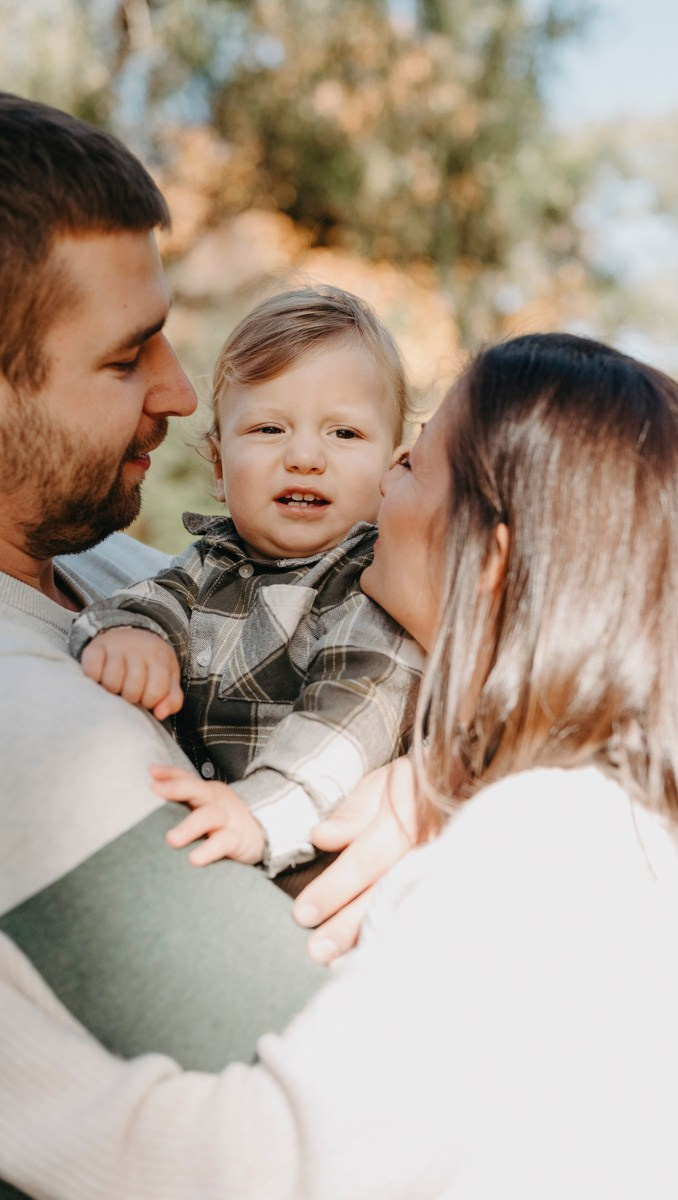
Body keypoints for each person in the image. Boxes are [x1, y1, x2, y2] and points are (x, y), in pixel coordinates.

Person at [1, 331, 678, 1199]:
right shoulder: (659, 830)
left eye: (413, 464)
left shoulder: (556, 841)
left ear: (488, 560)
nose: (380, 481)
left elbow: (257, 1168)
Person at [0, 90, 326, 1108]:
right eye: (124, 355)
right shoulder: (31, 732)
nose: (184, 393)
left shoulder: (114, 575)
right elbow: (334, 1085)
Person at [69, 287, 422, 877]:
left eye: (344, 434)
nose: (306, 456)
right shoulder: (210, 563)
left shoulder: (372, 582)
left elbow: (357, 708)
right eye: (268, 429)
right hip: (215, 844)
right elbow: (155, 600)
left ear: (392, 470)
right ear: (218, 468)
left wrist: (260, 811)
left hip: (309, 843)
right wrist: (132, 633)